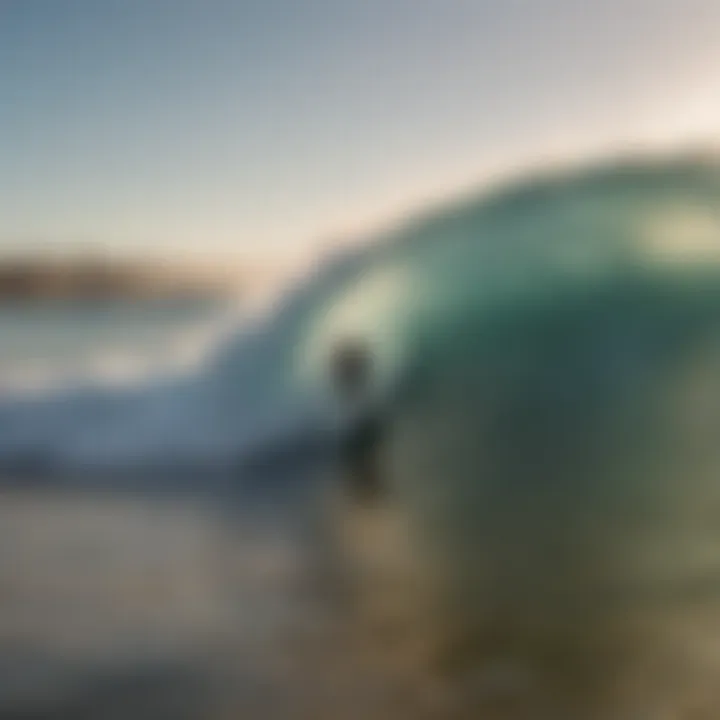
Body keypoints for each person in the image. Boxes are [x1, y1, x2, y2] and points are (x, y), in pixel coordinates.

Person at [329, 339, 384, 505]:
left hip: (360, 422)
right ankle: (366, 487)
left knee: (364, 456)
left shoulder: (351, 374)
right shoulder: (351, 374)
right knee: (363, 456)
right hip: (359, 423)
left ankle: (366, 487)